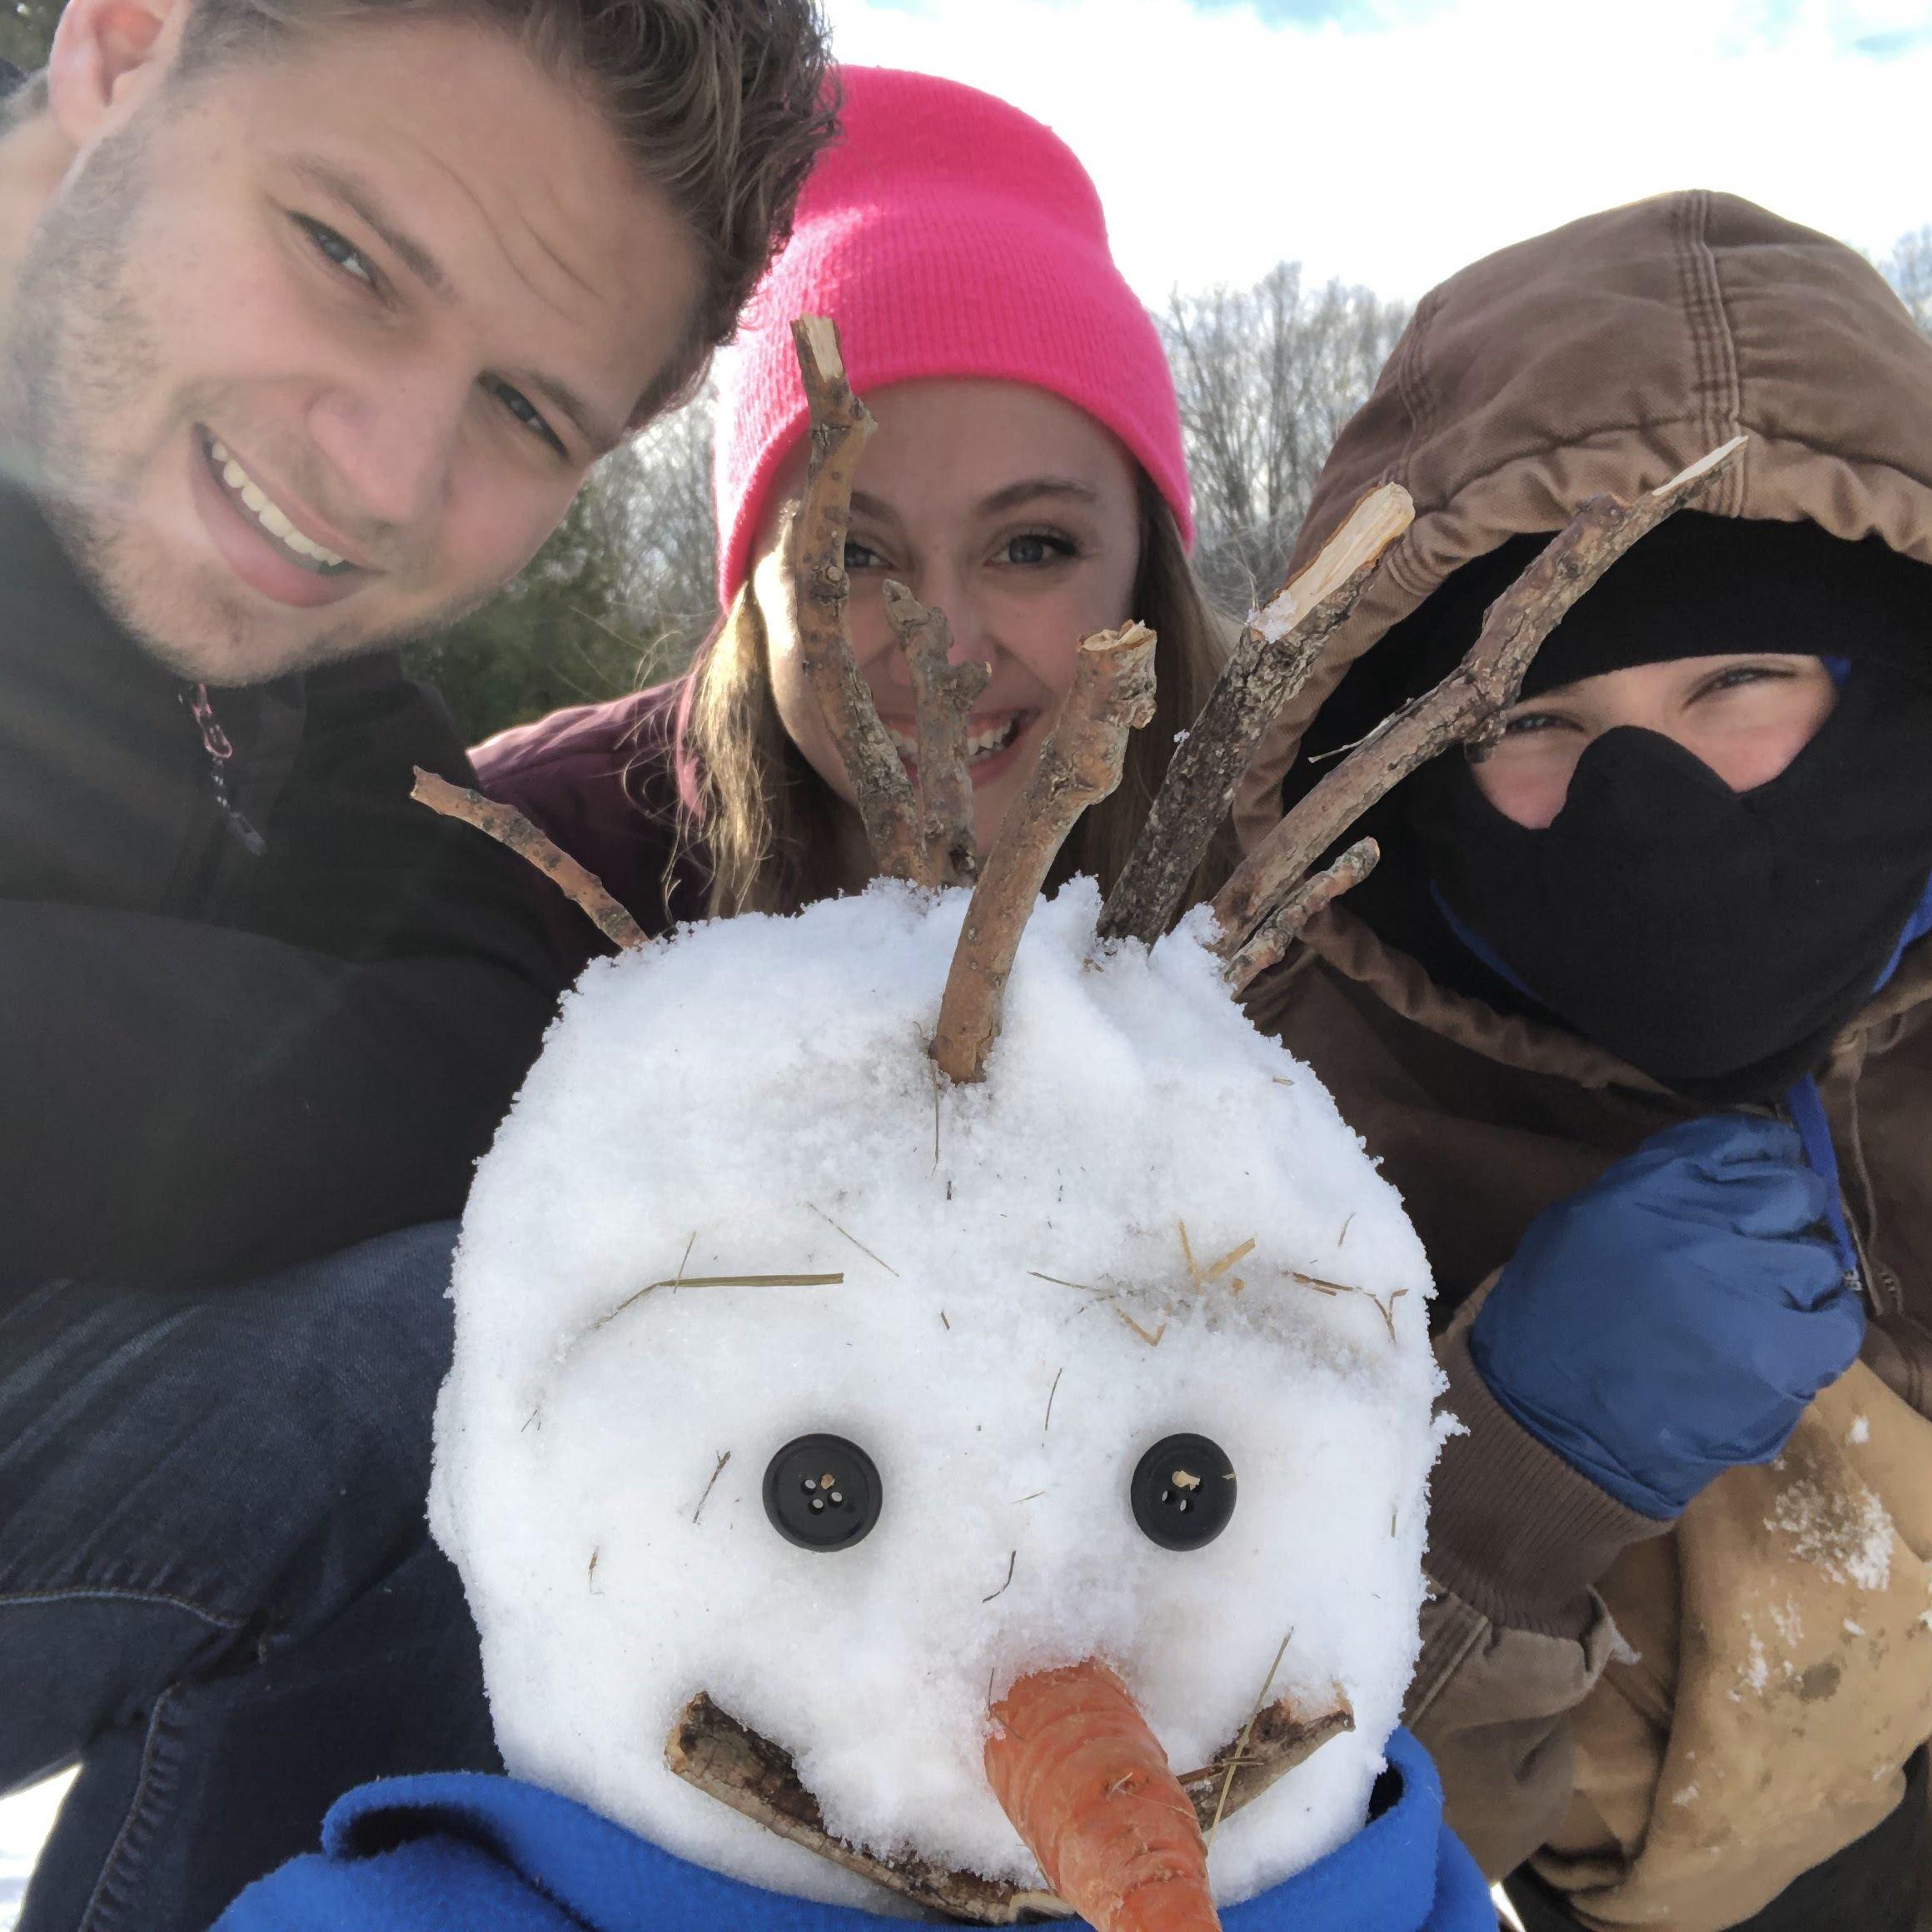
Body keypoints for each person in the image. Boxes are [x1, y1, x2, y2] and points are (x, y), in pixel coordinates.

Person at [0, 0, 834, 1921]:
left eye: (527, 412)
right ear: (124, 43)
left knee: (520, 1340)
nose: (379, 476)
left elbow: (480, 1006)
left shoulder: (262, 629)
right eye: (346, 252)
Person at [1232, 190, 1932, 1931]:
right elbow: (1255, 1825)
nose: (1643, 813)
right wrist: (1500, 1476)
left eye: (1737, 685)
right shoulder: (1281, 1123)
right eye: (1534, 720)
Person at [475, 65, 1237, 951]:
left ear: (1143, 570)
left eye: (1031, 547)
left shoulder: (1301, 888)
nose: (943, 653)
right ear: (749, 579)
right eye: (850, 556)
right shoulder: (514, 869)